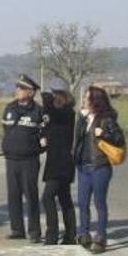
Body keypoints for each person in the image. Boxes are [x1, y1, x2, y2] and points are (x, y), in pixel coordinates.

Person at [72, 86, 125, 254]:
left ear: (95, 100)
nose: (85, 101)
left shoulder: (107, 119)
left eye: (88, 98)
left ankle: (101, 237)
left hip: (99, 166)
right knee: (82, 202)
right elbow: (77, 138)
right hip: (83, 166)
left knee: (99, 202)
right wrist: (81, 119)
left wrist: (104, 133)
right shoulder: (84, 118)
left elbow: (119, 139)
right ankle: (84, 233)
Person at [1, 74, 46, 243]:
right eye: (17, 88)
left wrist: (36, 147)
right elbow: (6, 130)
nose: (17, 91)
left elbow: (44, 135)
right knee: (13, 195)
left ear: (30, 92)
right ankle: (17, 229)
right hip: (12, 159)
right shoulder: (10, 108)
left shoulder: (38, 111)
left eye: (21, 88)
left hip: (29, 160)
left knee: (31, 195)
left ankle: (34, 231)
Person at [40, 79, 77, 245]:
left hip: (62, 162)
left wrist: (48, 102)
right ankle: (70, 235)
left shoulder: (67, 112)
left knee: (48, 197)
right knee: (64, 198)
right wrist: (44, 136)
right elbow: (49, 126)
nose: (52, 97)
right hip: (54, 159)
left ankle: (52, 234)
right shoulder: (53, 112)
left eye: (55, 93)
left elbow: (57, 116)